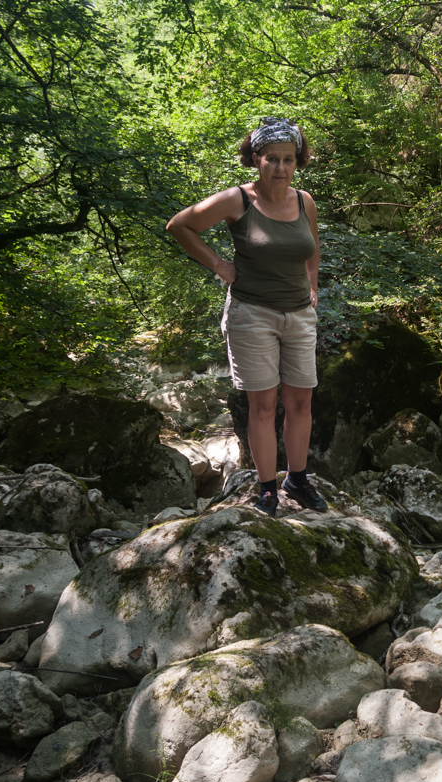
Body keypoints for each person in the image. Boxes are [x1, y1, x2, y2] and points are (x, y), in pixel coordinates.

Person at [166, 117, 327, 516]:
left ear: (298, 161)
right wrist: (220, 265)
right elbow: (180, 225)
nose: (280, 168)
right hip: (252, 314)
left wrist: (313, 286)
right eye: (272, 158)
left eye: (289, 159)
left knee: (301, 403)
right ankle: (268, 488)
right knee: (262, 406)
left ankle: (298, 479)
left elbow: (311, 249)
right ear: (256, 158)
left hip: (299, 317)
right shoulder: (238, 200)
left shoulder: (305, 200)